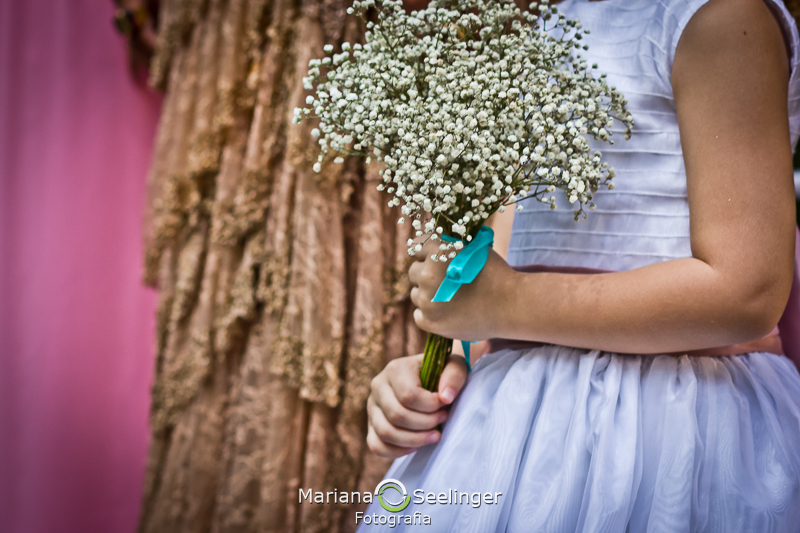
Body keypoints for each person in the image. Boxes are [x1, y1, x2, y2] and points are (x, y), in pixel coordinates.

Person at [361, 0, 800, 531]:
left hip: (678, 418)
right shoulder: (534, 25)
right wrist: (449, 365)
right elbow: (504, 253)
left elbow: (746, 291)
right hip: (512, 423)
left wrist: (512, 304)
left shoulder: (721, 17)